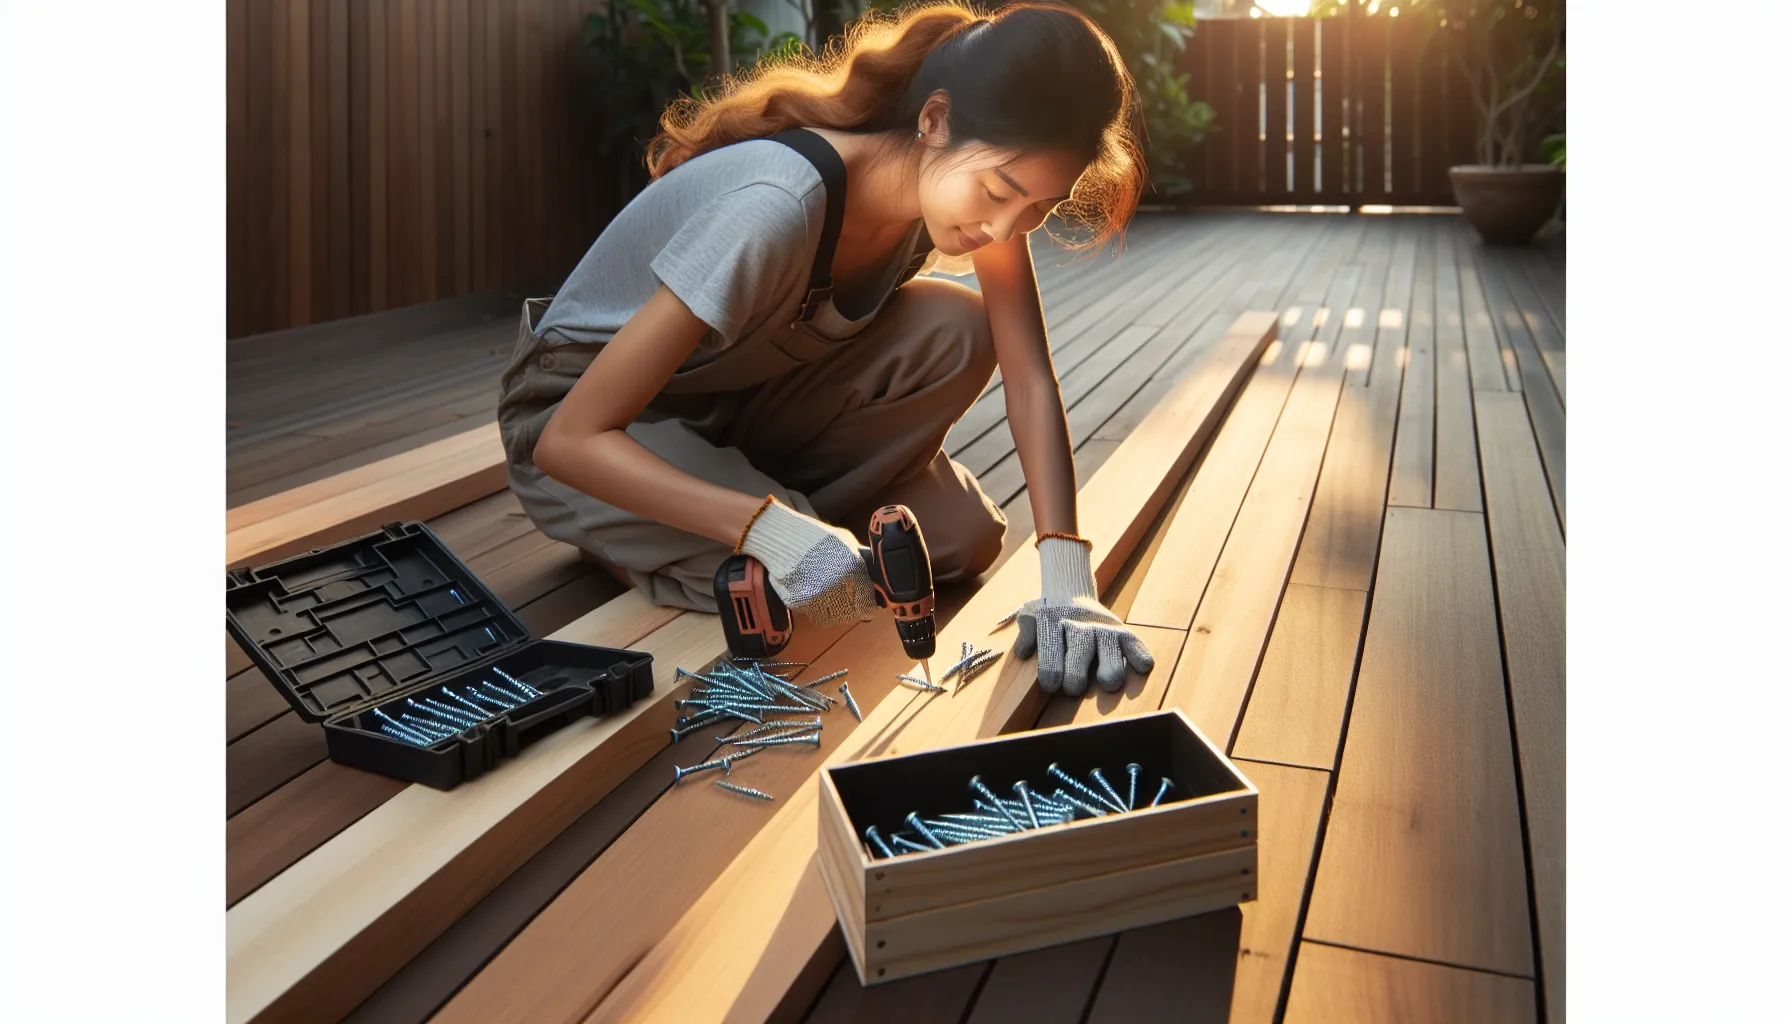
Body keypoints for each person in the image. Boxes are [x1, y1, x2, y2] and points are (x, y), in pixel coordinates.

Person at [496, 0, 1154, 696]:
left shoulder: (972, 202)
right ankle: (644, 538)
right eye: (998, 192)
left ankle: (767, 515)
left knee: (961, 534)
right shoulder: (776, 206)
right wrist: (768, 531)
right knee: (815, 590)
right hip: (589, 429)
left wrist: (1067, 580)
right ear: (934, 121)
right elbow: (568, 439)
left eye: (1036, 211)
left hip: (739, 402)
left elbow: (1030, 379)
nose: (1003, 229)